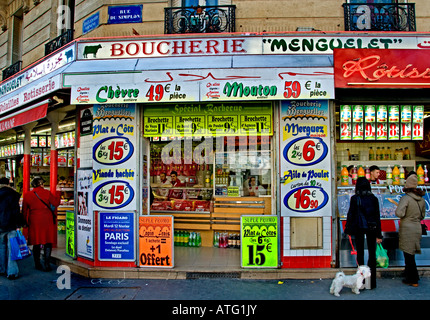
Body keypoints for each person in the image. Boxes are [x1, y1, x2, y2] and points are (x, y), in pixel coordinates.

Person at [344, 177, 383, 289]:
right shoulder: (374, 199)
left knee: (360, 255)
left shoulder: (354, 198)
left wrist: (348, 229)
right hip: (372, 228)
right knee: (372, 255)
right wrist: (379, 234)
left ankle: (360, 283)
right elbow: (377, 217)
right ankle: (371, 283)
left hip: (359, 228)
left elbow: (350, 214)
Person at [23, 176, 60, 271]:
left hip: (34, 220)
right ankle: (47, 264)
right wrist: (58, 192)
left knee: (36, 242)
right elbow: (56, 203)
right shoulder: (47, 193)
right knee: (48, 242)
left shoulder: (27, 195)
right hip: (47, 219)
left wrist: (24, 222)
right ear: (41, 184)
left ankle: (37, 264)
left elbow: (24, 211)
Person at [395, 174, 425, 287]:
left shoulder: (406, 198)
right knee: (411, 253)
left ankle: (413, 278)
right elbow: (423, 215)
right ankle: (411, 275)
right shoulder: (421, 199)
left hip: (407, 228)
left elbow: (399, 213)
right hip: (417, 227)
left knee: (408, 254)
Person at [0, 177, 25, 279]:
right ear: (8, 184)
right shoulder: (13, 195)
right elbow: (16, 211)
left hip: (0, 225)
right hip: (11, 225)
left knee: (1, 247)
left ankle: (2, 269)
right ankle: (12, 272)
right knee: (12, 248)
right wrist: (19, 224)